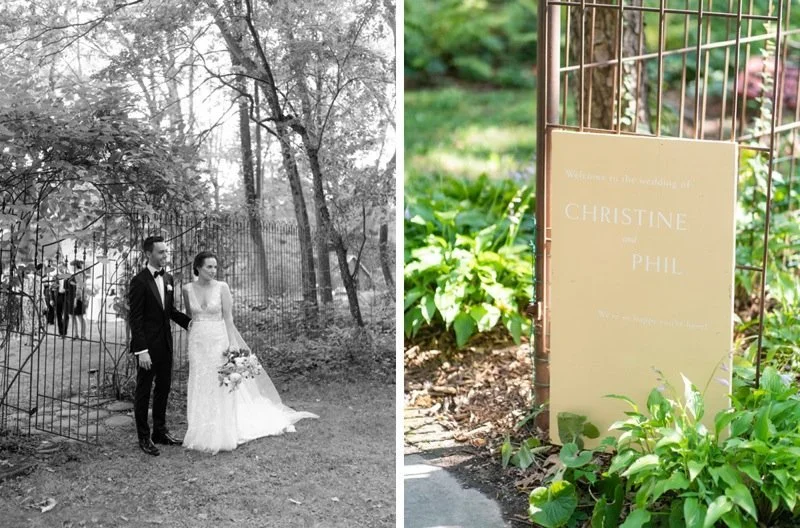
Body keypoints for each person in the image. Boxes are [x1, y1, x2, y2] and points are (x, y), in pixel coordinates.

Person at [182, 250, 317, 454]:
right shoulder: (187, 289)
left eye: (215, 267)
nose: (213, 270)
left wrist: (232, 343)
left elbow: (228, 318)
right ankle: (201, 429)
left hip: (219, 339)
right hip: (199, 341)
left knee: (221, 384)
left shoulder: (222, 288)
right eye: (209, 266)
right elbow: (190, 316)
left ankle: (224, 431)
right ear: (198, 267)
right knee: (200, 382)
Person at [128, 235, 191, 457]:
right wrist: (141, 350)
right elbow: (135, 319)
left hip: (165, 343)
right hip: (147, 348)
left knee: (163, 388)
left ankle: (160, 432)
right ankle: (144, 437)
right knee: (144, 392)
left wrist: (191, 324)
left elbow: (170, 311)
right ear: (148, 254)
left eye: (166, 251)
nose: (165, 255)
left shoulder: (169, 279)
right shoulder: (139, 281)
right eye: (161, 252)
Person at [70, 260, 87, 339]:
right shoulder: (75, 273)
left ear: (75, 266)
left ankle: (82, 335)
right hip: (72, 297)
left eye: (72, 265)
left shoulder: (79, 273)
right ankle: (75, 334)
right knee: (73, 316)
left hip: (77, 298)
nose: (71, 267)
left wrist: (76, 299)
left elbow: (79, 286)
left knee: (80, 316)